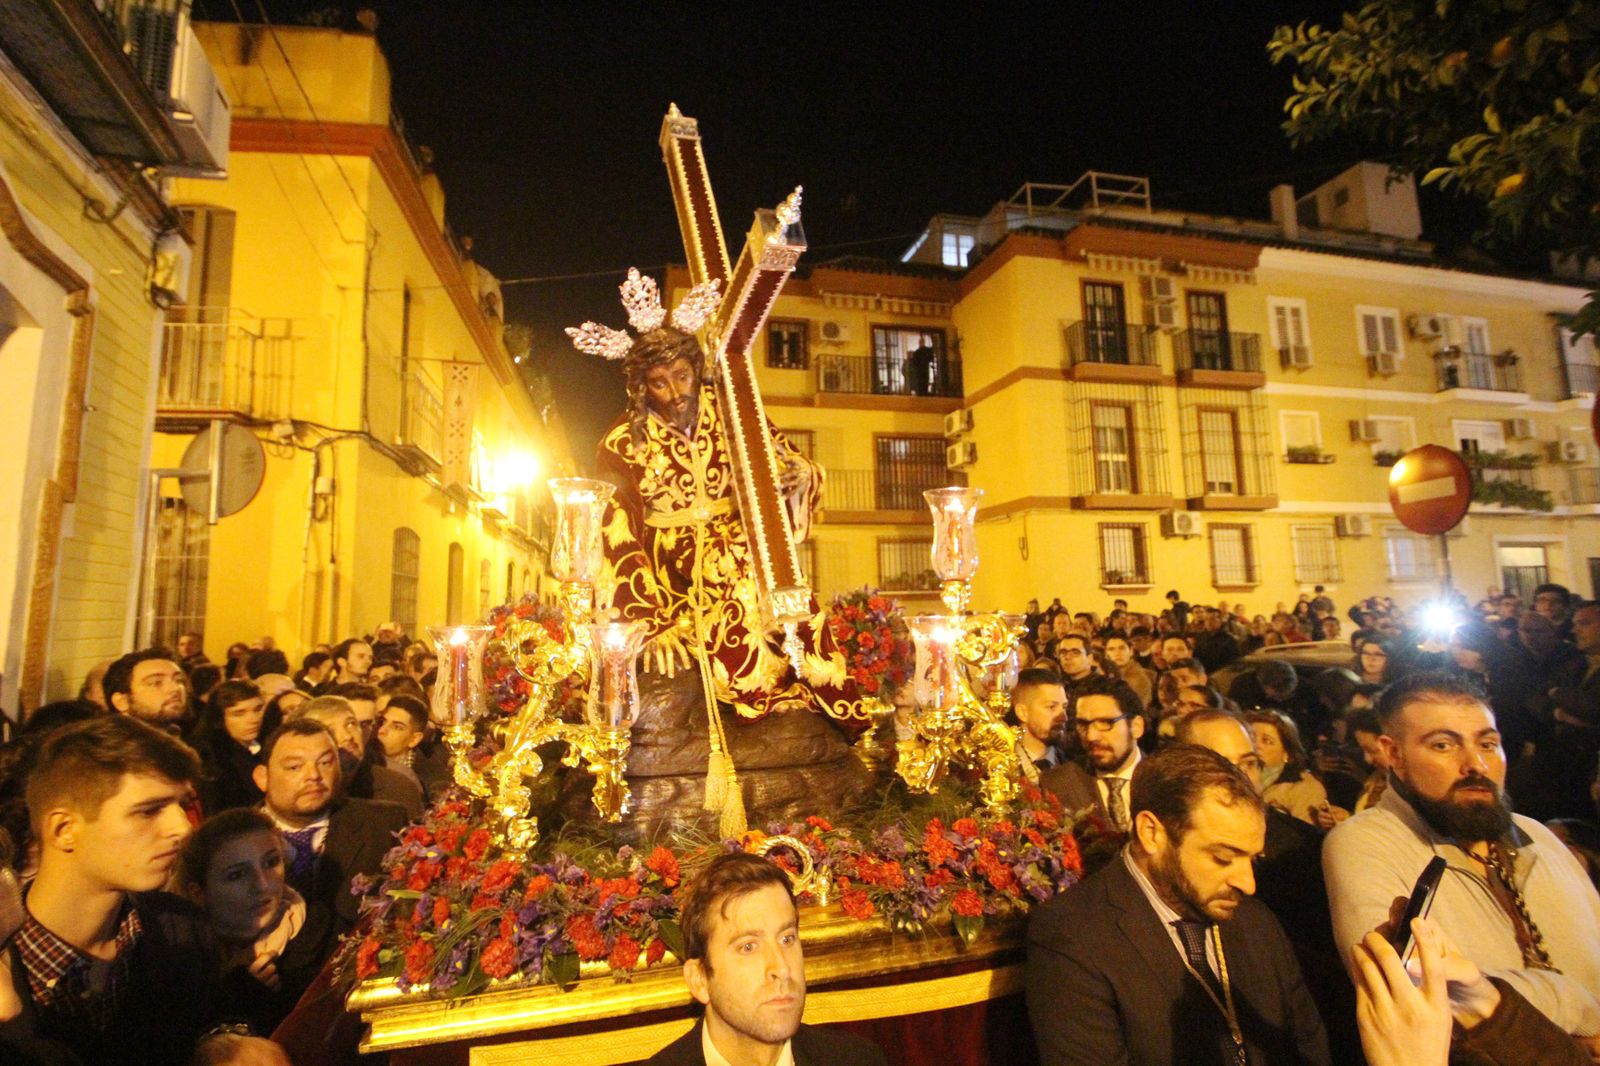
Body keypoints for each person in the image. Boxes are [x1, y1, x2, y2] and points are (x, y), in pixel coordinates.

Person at [577, 270, 844, 724]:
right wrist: (647, 619)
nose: (676, 393)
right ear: (642, 386)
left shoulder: (734, 413)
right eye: (660, 383)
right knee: (734, 614)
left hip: (742, 547)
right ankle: (762, 701)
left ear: (696, 369)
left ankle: (811, 700)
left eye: (682, 376)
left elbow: (784, 463)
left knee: (799, 610)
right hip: (671, 570)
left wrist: (798, 477)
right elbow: (615, 532)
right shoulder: (622, 441)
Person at [1323, 671, 1600, 1043]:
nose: (1476, 765)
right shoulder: (1364, 844)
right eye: (1443, 745)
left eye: (1488, 744)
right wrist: (1578, 1012)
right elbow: (1418, 995)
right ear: (1394, 754)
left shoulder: (1539, 838)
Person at [0, 716, 289, 1065]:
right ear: (64, 829)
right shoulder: (10, 963)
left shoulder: (182, 926)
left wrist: (224, 1040)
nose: (182, 828)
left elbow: (212, 1015)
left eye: (182, 805)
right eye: (149, 811)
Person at [1026, 744, 1330, 1065]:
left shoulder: (1257, 922)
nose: (1248, 883)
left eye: (1253, 859)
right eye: (1223, 857)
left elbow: (1309, 1048)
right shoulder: (1072, 936)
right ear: (1151, 833)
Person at [647, 851, 885, 1065]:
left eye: (787, 939)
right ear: (700, 979)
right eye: (748, 947)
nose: (781, 968)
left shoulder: (858, 1059)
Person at [252, 718, 408, 945]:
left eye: (325, 763)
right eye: (295, 767)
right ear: (262, 777)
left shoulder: (383, 823)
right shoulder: (233, 841)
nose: (314, 775)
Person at [177, 809, 330, 1036]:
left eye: (271, 862)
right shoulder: (184, 966)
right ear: (198, 892)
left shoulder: (321, 933)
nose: (263, 885)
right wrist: (236, 1001)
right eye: (237, 875)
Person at [1040, 675, 1145, 831]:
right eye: (1083, 724)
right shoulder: (1057, 784)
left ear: (1136, 727)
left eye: (1105, 723)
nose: (1091, 736)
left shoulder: (1168, 780)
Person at [194, 679, 276, 815]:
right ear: (220, 718)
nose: (253, 719)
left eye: (258, 709)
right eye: (239, 713)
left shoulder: (268, 746)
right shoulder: (210, 760)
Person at [1248, 710, 1338, 827]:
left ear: (1287, 754)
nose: (1256, 745)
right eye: (1251, 738)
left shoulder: (1304, 789)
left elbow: (1301, 833)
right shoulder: (1237, 776)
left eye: (1267, 741)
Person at [103, 648, 189, 732]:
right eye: (156, 683)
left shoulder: (186, 736)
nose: (175, 688)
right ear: (122, 702)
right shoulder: (108, 741)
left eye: (179, 680)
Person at [1010, 668, 1069, 778]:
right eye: (1051, 707)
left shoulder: (1075, 766)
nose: (1064, 717)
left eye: (1064, 707)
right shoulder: (999, 766)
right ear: (1023, 713)